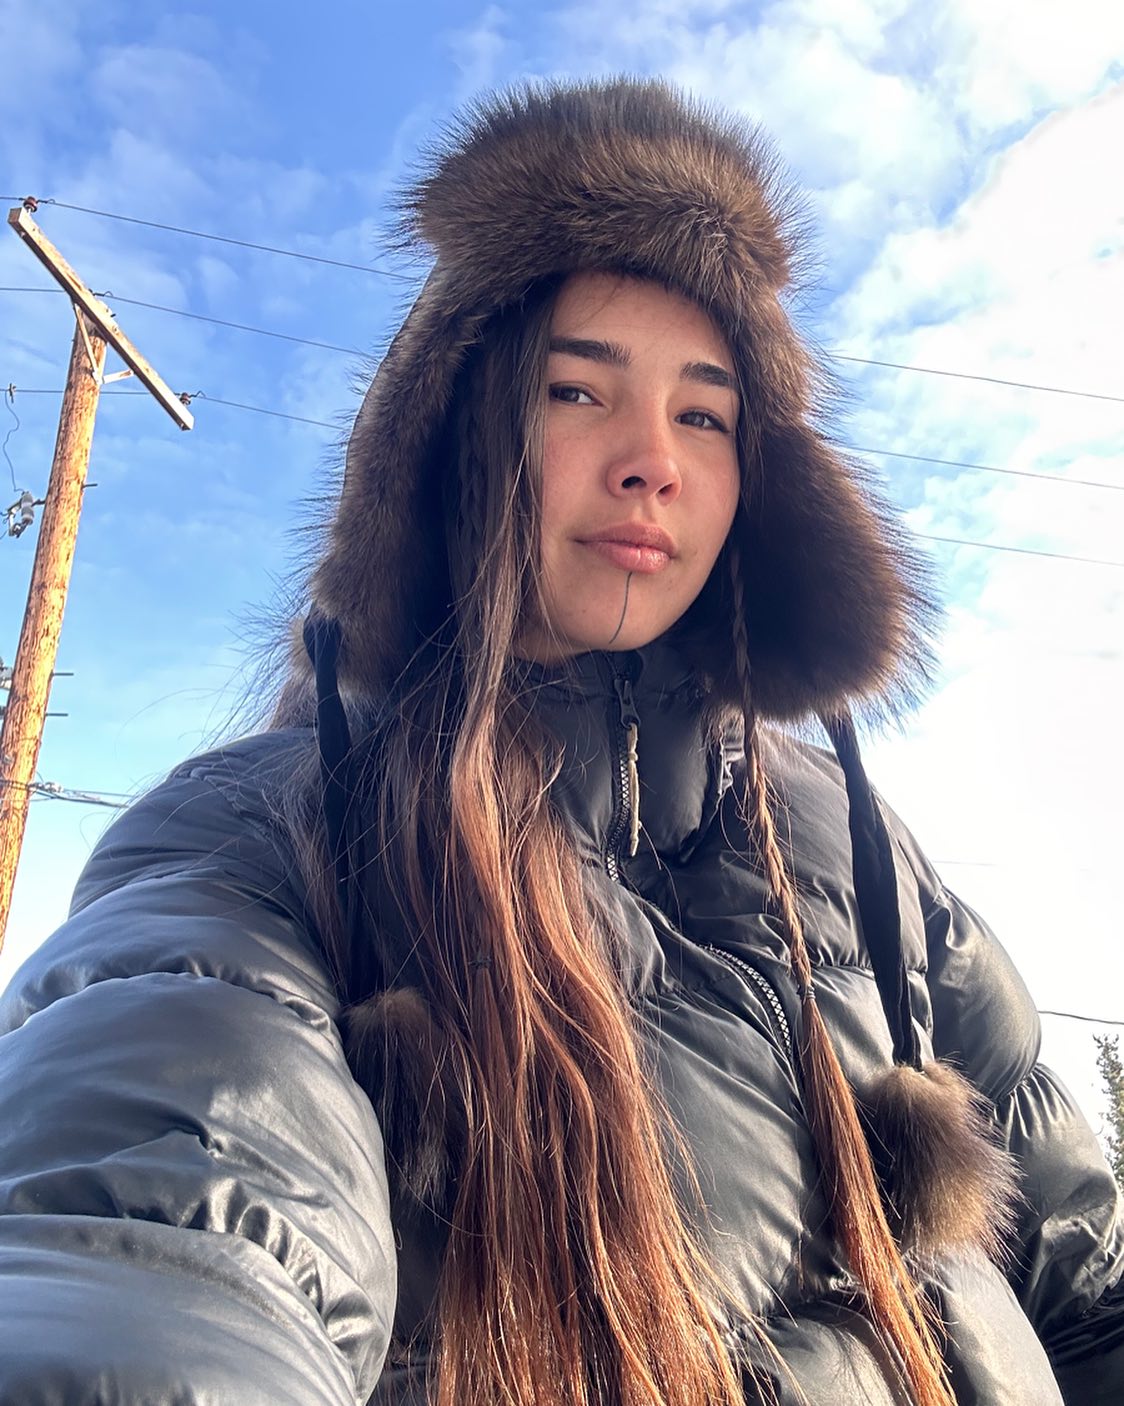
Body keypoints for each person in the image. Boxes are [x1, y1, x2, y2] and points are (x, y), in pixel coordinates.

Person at [0, 79, 1120, 1406]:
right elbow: (155, 1231)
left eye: (704, 413)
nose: (653, 459)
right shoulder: (268, 832)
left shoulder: (861, 849)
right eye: (578, 390)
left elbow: (1088, 1282)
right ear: (456, 439)